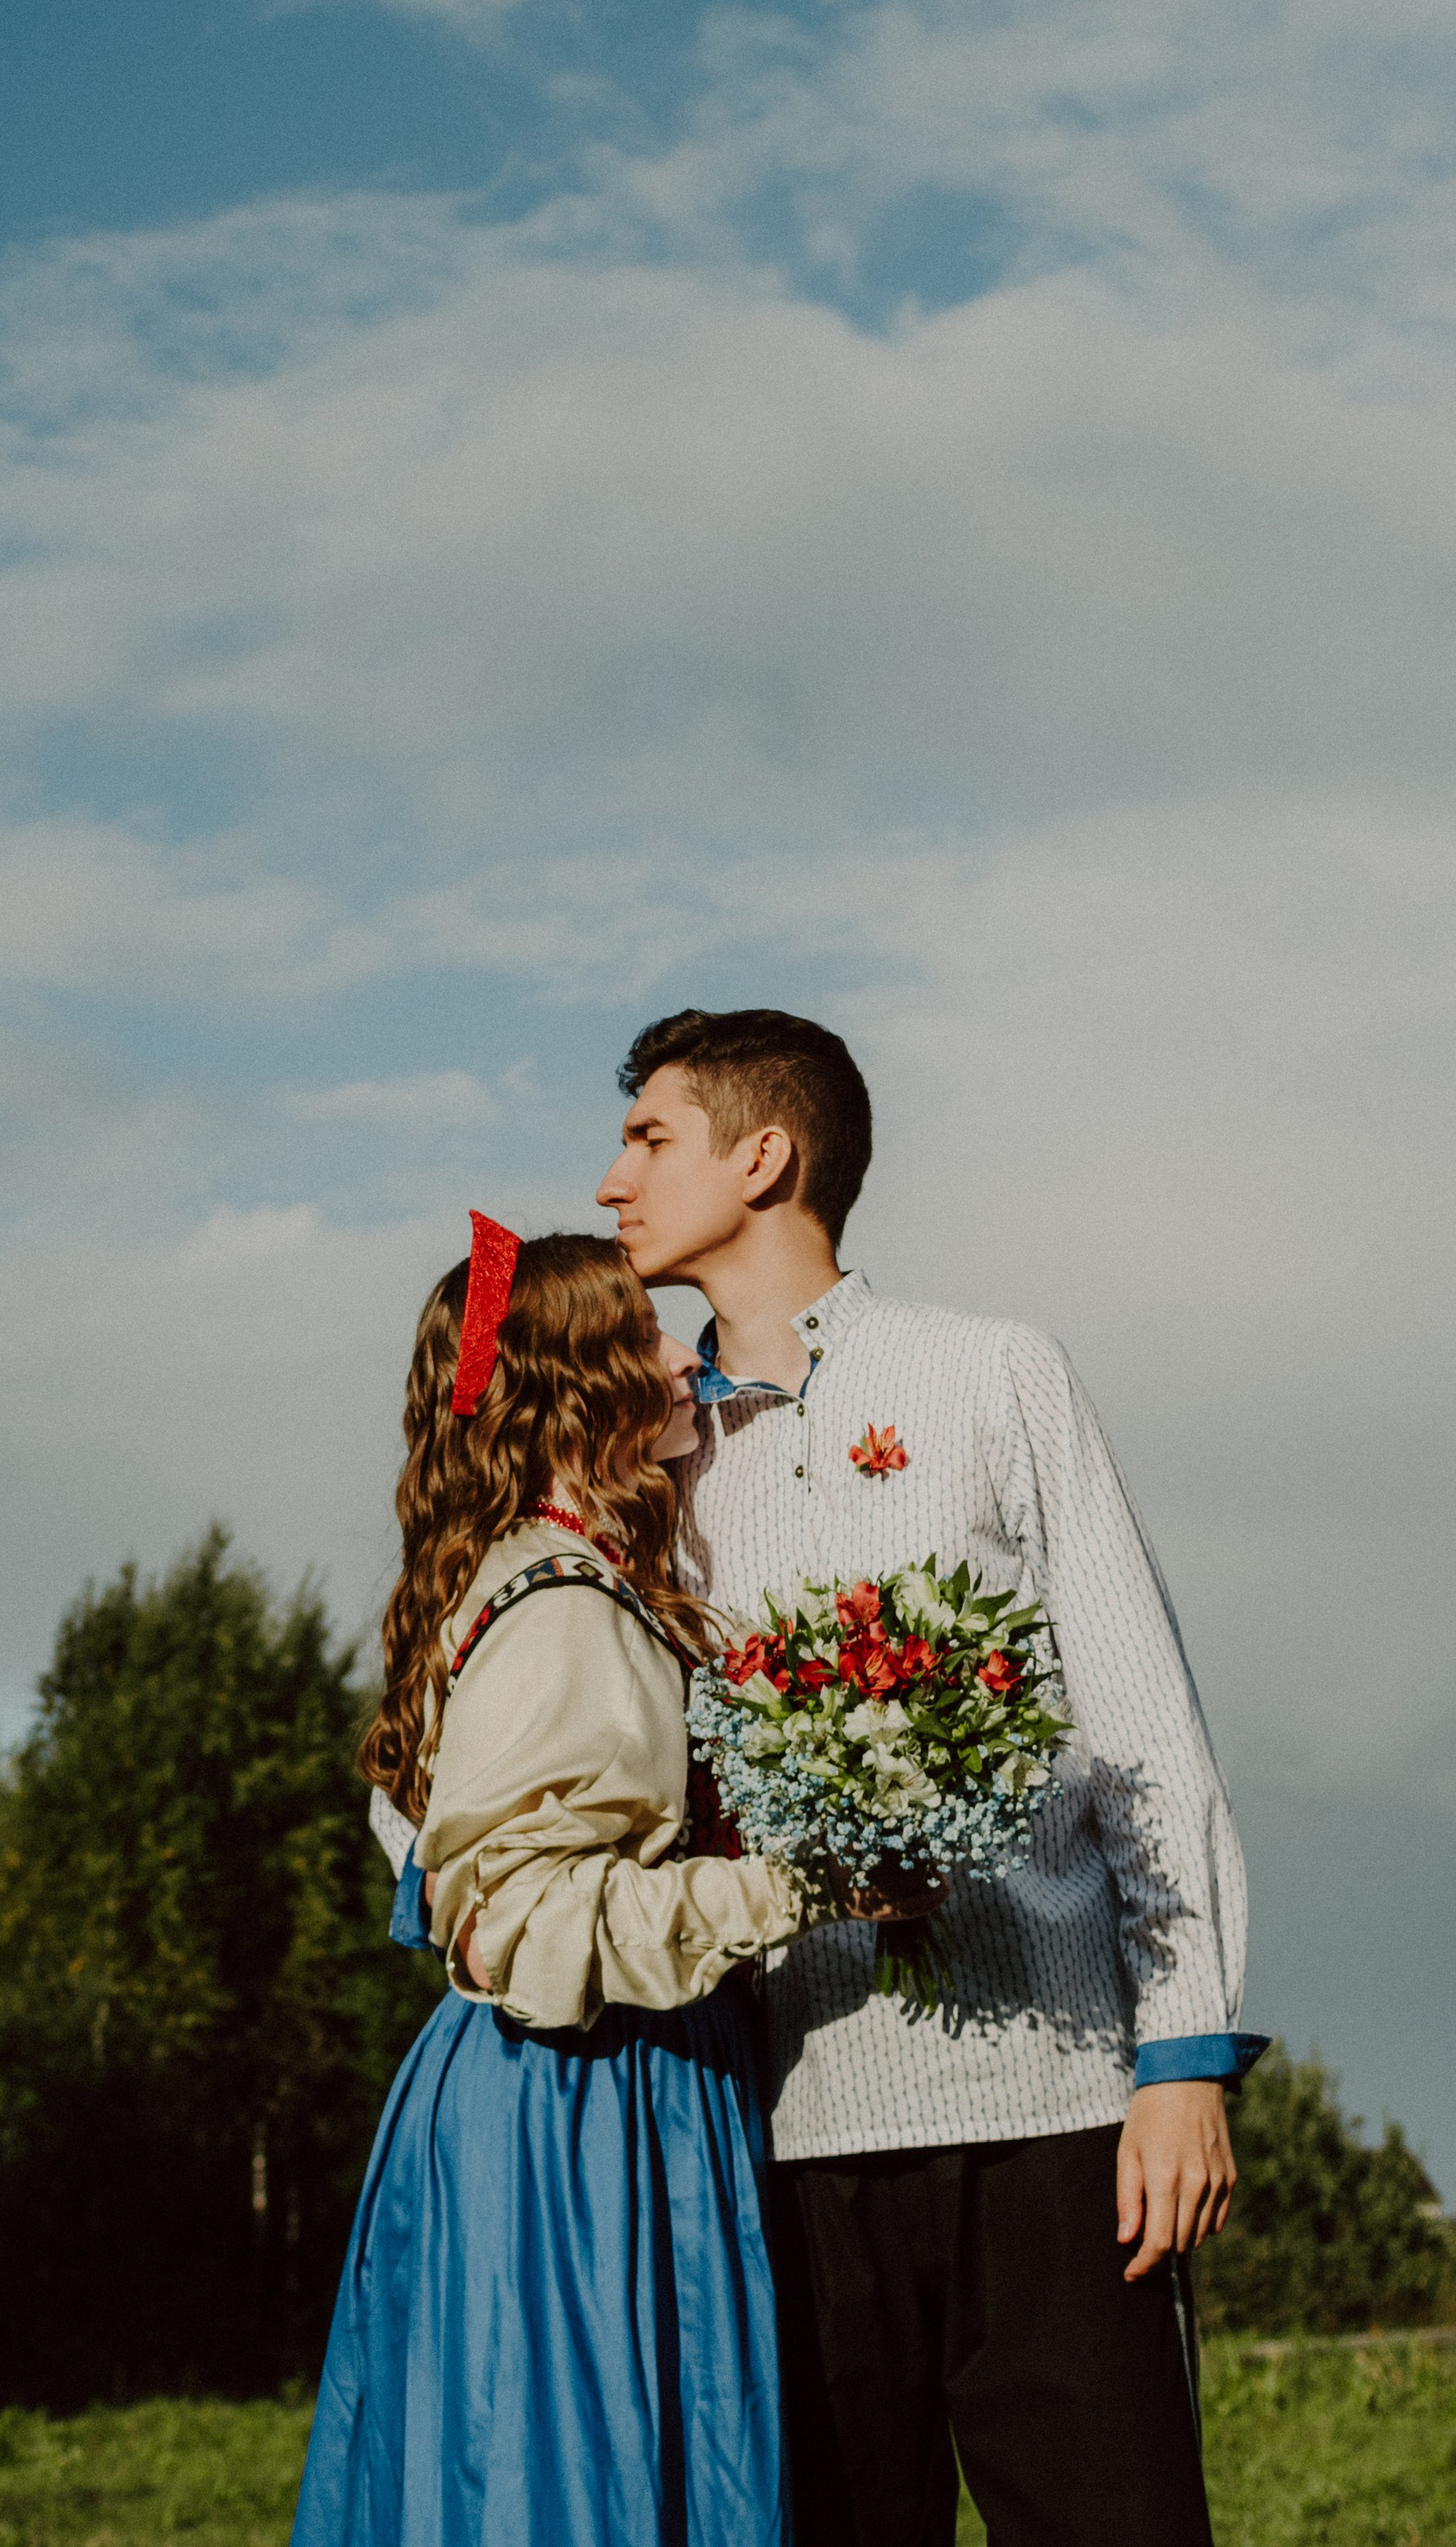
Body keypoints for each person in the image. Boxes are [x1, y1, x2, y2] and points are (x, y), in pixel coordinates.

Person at [597, 1007, 1264, 2547]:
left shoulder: (996, 1376)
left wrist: (1182, 2063)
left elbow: (1146, 1730)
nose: (613, 1180)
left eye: (650, 1137)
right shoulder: (646, 1460)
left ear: (764, 1155)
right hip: (781, 2135)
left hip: (1056, 2124)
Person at [291, 1221, 816, 2547]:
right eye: (646, 1336)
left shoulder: (493, 1580)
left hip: (524, 2099)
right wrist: (802, 1887)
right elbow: (518, 1920)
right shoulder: (562, 1605)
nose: (680, 1355)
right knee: (571, 2483)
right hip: (580, 2102)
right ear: (581, 1391)